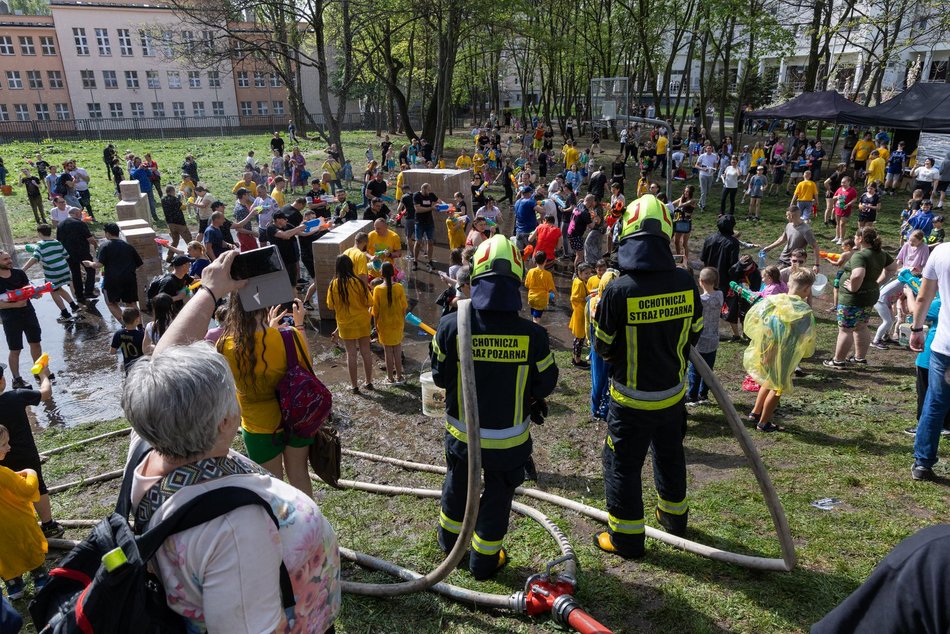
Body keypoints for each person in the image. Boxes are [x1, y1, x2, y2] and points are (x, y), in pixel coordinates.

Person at [124, 293, 339, 630]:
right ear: (224, 421)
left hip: (259, 428)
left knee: (277, 473)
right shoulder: (235, 530)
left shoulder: (147, 445)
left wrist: (210, 290)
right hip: (293, 418)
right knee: (296, 474)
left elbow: (161, 368)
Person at [431, 233, 558, 579]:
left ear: (476, 278)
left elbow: (440, 378)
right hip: (509, 443)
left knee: (459, 485)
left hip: (464, 439)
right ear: (516, 280)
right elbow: (547, 382)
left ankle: (450, 545)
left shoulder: (450, 327)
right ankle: (484, 560)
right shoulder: (533, 336)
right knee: (499, 496)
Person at [592, 194, 702, 559]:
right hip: (673, 396)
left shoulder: (618, 290)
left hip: (630, 401)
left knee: (621, 465)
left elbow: (604, 346)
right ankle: (674, 518)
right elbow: (694, 335)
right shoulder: (686, 282)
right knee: (670, 455)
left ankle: (625, 539)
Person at [743, 269, 817, 432]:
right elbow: (804, 336)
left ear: (789, 283)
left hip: (766, 347)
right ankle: (764, 423)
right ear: (806, 289)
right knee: (778, 387)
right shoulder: (802, 310)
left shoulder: (773, 300)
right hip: (784, 353)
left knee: (767, 380)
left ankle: (755, 413)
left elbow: (757, 318)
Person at [0, 361, 62, 540]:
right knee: (37, 485)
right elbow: (46, 393)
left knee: (6, 491)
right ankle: (49, 525)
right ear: (2, 381)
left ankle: (14, 528)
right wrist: (43, 375)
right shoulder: (16, 396)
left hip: (1, 457)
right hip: (25, 452)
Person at [824, 227, 897, 368]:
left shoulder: (860, 255)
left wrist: (853, 288)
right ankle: (860, 358)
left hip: (853, 299)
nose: (854, 239)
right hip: (869, 296)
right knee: (862, 326)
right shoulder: (881, 253)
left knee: (845, 329)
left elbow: (857, 274)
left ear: (861, 239)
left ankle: (838, 361)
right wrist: (879, 282)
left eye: (856, 237)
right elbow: (892, 268)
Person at [0, 251, 47, 389]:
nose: (10, 261)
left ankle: (39, 372)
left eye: (9, 258)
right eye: (5, 259)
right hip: (10, 318)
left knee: (35, 342)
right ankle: (17, 379)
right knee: (15, 349)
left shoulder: (19, 273)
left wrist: (35, 294)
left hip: (28, 313)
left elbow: (28, 290)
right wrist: (15, 304)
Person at [327, 254, 373, 392]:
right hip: (362, 321)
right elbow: (369, 302)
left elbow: (330, 305)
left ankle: (354, 386)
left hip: (345, 324)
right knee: (366, 352)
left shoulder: (334, 284)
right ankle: (369, 382)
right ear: (351, 266)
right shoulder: (358, 282)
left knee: (351, 354)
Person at [82, 223, 144, 322]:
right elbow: (140, 264)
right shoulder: (128, 245)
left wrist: (89, 264)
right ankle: (140, 326)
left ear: (107, 233)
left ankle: (126, 325)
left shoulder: (105, 245)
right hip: (129, 278)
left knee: (111, 303)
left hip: (112, 279)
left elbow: (99, 265)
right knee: (131, 303)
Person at [22, 224, 81, 323]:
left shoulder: (40, 245)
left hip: (53, 272)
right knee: (59, 288)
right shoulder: (57, 242)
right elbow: (66, 255)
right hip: (64, 269)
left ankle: (65, 314)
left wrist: (23, 269)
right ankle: (74, 306)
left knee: (53, 291)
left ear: (40, 233)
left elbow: (34, 258)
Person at [686, 267, 723, 406]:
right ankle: (703, 394)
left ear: (700, 281)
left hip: (700, 340)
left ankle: (692, 396)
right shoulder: (719, 295)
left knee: (695, 370)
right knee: (708, 368)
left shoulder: (700, 300)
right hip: (713, 338)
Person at [371, 262, 408, 384]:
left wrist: (376, 326)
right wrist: (402, 322)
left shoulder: (377, 289)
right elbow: (404, 307)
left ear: (381, 273)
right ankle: (399, 377)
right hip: (398, 323)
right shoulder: (399, 287)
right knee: (397, 349)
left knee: (387, 352)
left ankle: (390, 378)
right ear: (393, 273)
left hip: (384, 324)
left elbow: (375, 311)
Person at [56, 206, 98, 303]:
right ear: (76, 213)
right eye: (80, 213)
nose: (81, 215)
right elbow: (90, 239)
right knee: (91, 270)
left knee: (76, 274)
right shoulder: (80, 223)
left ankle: (79, 295)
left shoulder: (60, 224)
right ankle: (88, 291)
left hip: (68, 253)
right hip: (82, 252)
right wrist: (96, 246)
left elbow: (59, 240)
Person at [568, 263, 594, 367]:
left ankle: (575, 358)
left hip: (580, 312)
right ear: (579, 273)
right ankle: (577, 361)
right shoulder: (579, 283)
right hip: (580, 313)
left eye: (589, 273)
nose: (588, 275)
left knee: (578, 338)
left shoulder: (579, 281)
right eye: (586, 273)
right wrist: (585, 298)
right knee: (580, 338)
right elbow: (573, 298)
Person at [412, 183, 441, 271]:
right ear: (423, 189)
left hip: (429, 222)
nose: (429, 192)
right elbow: (418, 209)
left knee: (430, 241)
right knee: (418, 241)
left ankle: (429, 261)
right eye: (428, 190)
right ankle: (415, 261)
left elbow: (439, 200)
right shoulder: (417, 195)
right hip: (419, 222)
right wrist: (431, 208)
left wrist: (445, 206)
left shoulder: (431, 195)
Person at [160, 185, 193, 258]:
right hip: (179, 223)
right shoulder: (175, 199)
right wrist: (186, 201)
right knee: (189, 240)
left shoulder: (163, 199)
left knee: (175, 241)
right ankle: (194, 255)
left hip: (170, 223)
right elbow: (183, 208)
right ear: (172, 191)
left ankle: (169, 257)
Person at [524, 251, 556, 325]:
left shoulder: (530, 271)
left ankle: (534, 327)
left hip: (531, 298)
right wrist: (555, 295)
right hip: (541, 299)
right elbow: (552, 288)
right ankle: (535, 331)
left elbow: (526, 284)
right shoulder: (547, 274)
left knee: (534, 315)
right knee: (537, 319)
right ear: (545, 261)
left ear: (535, 260)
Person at [109, 307, 146, 372]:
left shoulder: (118, 333)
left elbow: (112, 351)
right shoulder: (141, 335)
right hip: (141, 366)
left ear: (122, 319)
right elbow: (146, 350)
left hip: (128, 367)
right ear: (137, 320)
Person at [695, 144, 719, 209]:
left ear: (712, 149)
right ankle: (703, 205)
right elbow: (696, 165)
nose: (709, 149)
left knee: (707, 191)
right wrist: (703, 169)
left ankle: (700, 202)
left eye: (710, 148)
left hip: (710, 175)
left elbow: (716, 165)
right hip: (703, 175)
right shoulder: (702, 156)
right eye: (707, 148)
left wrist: (714, 170)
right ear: (705, 149)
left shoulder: (714, 156)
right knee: (703, 191)